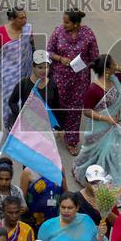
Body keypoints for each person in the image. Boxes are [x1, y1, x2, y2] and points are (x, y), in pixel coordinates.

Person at [72, 54, 121, 188]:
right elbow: (87, 111)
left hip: (114, 126)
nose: (116, 65)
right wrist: (106, 118)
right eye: (114, 64)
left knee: (112, 155)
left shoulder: (115, 80)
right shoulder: (94, 89)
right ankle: (82, 172)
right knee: (91, 153)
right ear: (107, 70)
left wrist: (116, 67)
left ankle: (108, 183)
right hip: (99, 128)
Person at [46, 10, 99, 156]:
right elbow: (48, 51)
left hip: (80, 80)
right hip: (60, 78)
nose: (64, 25)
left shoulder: (88, 34)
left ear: (76, 24)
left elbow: (94, 56)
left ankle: (71, 140)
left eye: (67, 22)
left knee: (75, 110)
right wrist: (60, 59)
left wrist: (96, 73)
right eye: (63, 21)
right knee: (57, 105)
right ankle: (57, 128)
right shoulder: (58, 32)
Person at [0, 6, 33, 129]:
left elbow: (31, 46)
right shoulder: (1, 31)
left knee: (24, 99)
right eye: (21, 18)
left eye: (25, 17)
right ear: (12, 19)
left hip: (25, 71)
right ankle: (10, 124)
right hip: (8, 73)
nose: (25, 20)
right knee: (10, 99)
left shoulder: (28, 29)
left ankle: (21, 125)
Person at [7, 50, 61, 132]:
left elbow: (56, 107)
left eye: (46, 67)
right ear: (33, 66)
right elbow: (12, 102)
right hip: (26, 127)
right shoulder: (24, 83)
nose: (44, 71)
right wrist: (21, 115)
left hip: (44, 128)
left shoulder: (52, 85)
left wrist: (59, 127)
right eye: (40, 67)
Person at [74, 165, 119, 233]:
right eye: (93, 183)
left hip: (102, 240)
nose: (96, 185)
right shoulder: (76, 198)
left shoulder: (108, 198)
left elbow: (118, 223)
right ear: (86, 180)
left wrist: (107, 212)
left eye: (99, 182)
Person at [19, 166, 62, 234]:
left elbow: (65, 193)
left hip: (53, 218)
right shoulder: (28, 172)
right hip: (34, 220)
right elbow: (22, 199)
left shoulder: (58, 169)